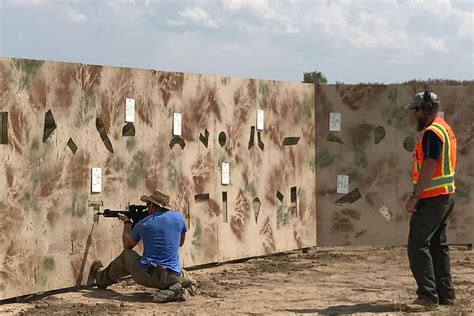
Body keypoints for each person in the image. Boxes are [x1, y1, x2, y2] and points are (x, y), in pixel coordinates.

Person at [88, 188, 197, 303]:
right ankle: (178, 292)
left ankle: (101, 278)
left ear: (153, 205)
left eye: (148, 204)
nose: (147, 207)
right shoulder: (179, 218)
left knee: (127, 255)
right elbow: (180, 242)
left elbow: (127, 245)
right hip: (172, 276)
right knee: (192, 283)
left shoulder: (144, 223)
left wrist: (127, 223)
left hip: (148, 276)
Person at [403, 90, 457, 312]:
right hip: (444, 196)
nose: (414, 115)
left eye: (415, 110)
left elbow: (429, 165)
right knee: (437, 245)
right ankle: (446, 294)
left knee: (417, 244)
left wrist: (415, 196)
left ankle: (427, 297)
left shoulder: (432, 133)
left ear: (424, 110)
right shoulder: (444, 128)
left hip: (433, 198)